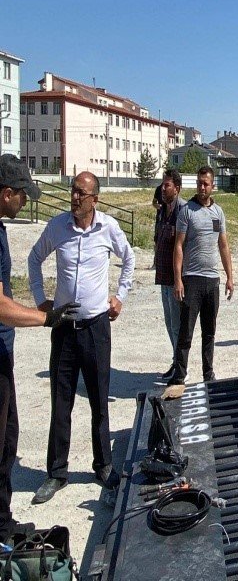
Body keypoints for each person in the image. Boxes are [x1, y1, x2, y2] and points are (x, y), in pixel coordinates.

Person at [28, 171, 135, 504]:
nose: (74, 198)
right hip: (64, 329)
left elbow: (129, 258)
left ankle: (103, 465)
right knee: (62, 401)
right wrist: (40, 300)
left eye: (81, 193)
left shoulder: (108, 228)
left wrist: (120, 296)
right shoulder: (57, 226)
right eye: (73, 191)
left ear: (95, 199)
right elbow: (34, 259)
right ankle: (57, 472)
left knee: (99, 399)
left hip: (96, 328)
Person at [0, 155, 79, 542]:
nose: (26, 203)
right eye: (23, 196)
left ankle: (2, 523)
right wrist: (44, 315)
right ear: (7, 193)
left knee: (8, 438)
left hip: (3, 353)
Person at [168, 166, 233, 386]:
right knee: (185, 333)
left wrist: (230, 277)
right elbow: (178, 246)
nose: (202, 187)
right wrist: (178, 279)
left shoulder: (219, 213)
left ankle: (208, 375)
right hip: (192, 279)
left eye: (205, 183)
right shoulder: (187, 211)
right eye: (199, 183)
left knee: (209, 332)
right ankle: (179, 376)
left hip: (212, 280)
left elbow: (223, 246)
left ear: (213, 186)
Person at [154, 169, 186, 381]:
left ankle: (181, 369)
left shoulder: (183, 211)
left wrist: (179, 280)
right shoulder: (162, 210)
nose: (163, 188)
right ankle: (175, 362)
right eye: (163, 185)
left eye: (167, 185)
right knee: (168, 323)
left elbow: (184, 246)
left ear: (177, 188)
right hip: (163, 276)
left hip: (176, 279)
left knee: (177, 325)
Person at [150, 183, 164, 269]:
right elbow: (154, 202)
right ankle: (156, 262)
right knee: (157, 239)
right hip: (160, 218)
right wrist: (159, 207)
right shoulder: (159, 189)